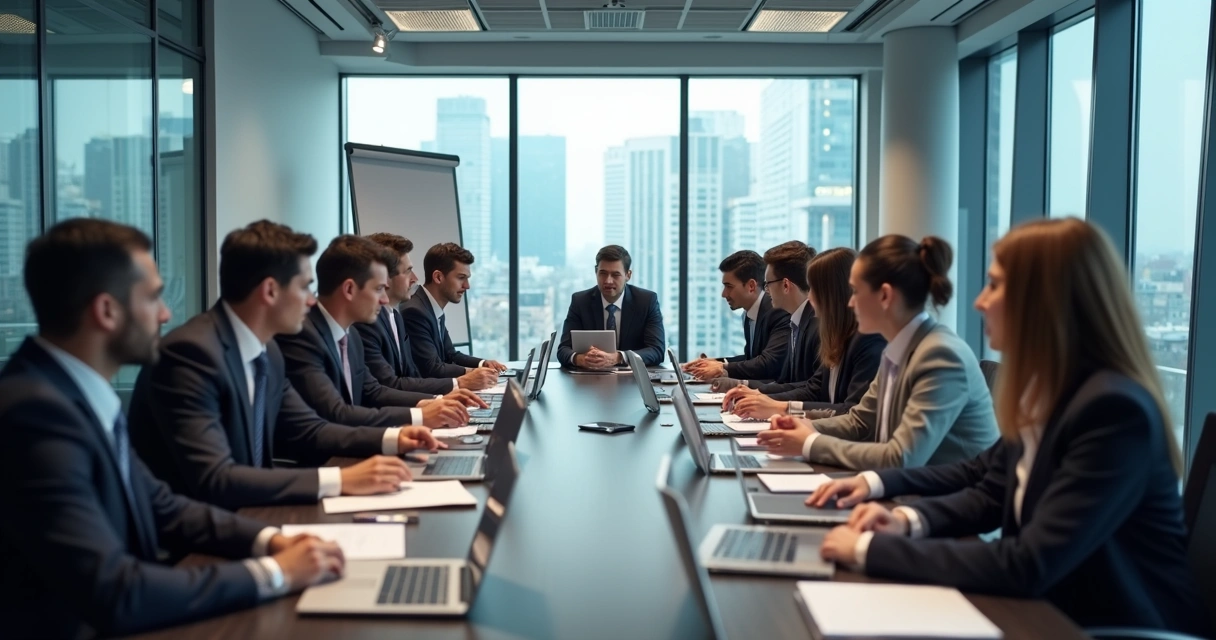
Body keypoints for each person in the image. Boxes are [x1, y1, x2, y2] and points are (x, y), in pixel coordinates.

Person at [816, 219, 1208, 636]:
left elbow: (1029, 563)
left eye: (995, 285)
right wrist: (907, 520)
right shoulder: (1053, 390)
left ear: (1044, 299)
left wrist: (871, 550)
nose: (980, 302)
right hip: (1050, 613)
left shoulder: (1113, 410)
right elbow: (987, 486)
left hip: (1104, 626)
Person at [0, 219, 344, 638]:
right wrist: (274, 573)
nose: (166, 313)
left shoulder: (72, 394)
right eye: (153, 297)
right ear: (107, 311)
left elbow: (163, 505)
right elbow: (116, 591)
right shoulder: (35, 415)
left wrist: (272, 541)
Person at [129, 221, 444, 510]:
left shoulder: (267, 351)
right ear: (270, 291)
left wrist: (395, 438)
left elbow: (309, 428)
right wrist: (341, 480)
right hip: (198, 540)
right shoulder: (192, 354)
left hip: (254, 511)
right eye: (305, 287)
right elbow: (216, 479)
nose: (311, 300)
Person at [756, 235, 997, 470]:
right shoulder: (898, 349)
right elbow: (859, 421)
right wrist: (804, 426)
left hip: (944, 502)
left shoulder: (940, 355)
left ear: (884, 296)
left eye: (856, 291)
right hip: (909, 492)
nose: (850, 302)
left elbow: (900, 458)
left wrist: (809, 443)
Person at [276, 235, 480, 428]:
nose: (384, 299)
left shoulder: (351, 335)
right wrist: (421, 414)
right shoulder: (303, 336)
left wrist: (435, 402)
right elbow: (336, 414)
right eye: (378, 289)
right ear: (349, 289)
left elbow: (373, 390)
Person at [724, 248, 885, 420]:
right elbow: (814, 388)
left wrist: (782, 408)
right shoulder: (835, 334)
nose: (809, 297)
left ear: (833, 293)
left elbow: (852, 412)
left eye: (812, 289)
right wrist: (762, 399)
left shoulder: (867, 340)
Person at [356, 232, 498, 394]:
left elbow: (417, 372)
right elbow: (395, 383)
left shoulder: (395, 316)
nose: (415, 278)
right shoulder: (409, 312)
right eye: (408, 271)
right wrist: (461, 382)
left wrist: (480, 368)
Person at [711, 240, 820, 391]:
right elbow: (784, 381)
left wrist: (748, 389)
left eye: (768, 284)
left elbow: (812, 387)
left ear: (786, 285)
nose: (766, 291)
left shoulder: (814, 325)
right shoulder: (797, 321)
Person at [400, 242, 508, 378]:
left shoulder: (431, 308)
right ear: (438, 277)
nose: (467, 286)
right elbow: (432, 369)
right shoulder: (415, 312)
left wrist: (483, 364)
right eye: (461, 278)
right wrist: (474, 373)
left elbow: (451, 354)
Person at [682, 250, 790, 382]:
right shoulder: (749, 313)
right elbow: (751, 359)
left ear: (751, 286)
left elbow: (768, 363)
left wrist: (722, 367)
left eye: (729, 287)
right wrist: (713, 362)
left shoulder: (775, 311)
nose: (724, 294)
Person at [556, 244, 666, 368]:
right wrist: (581, 359)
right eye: (603, 273)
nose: (608, 281)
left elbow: (657, 351)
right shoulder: (580, 301)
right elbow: (563, 350)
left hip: (632, 381)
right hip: (590, 379)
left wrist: (618, 357)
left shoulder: (646, 301)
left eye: (615, 275)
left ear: (628, 275)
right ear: (596, 272)